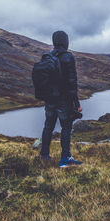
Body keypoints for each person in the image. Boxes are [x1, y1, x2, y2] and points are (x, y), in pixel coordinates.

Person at [40, 30, 83, 168]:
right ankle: (65, 159)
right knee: (66, 128)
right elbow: (72, 83)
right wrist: (76, 103)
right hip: (63, 100)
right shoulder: (68, 57)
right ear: (65, 41)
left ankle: (44, 155)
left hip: (49, 99)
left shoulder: (47, 56)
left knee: (48, 126)